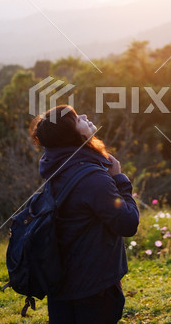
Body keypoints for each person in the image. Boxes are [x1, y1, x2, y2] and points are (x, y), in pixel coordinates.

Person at [29, 104, 139, 324]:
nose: (86, 116)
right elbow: (127, 224)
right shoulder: (92, 178)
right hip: (93, 289)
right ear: (73, 135)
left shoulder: (57, 169)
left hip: (62, 286)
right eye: (78, 118)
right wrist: (120, 180)